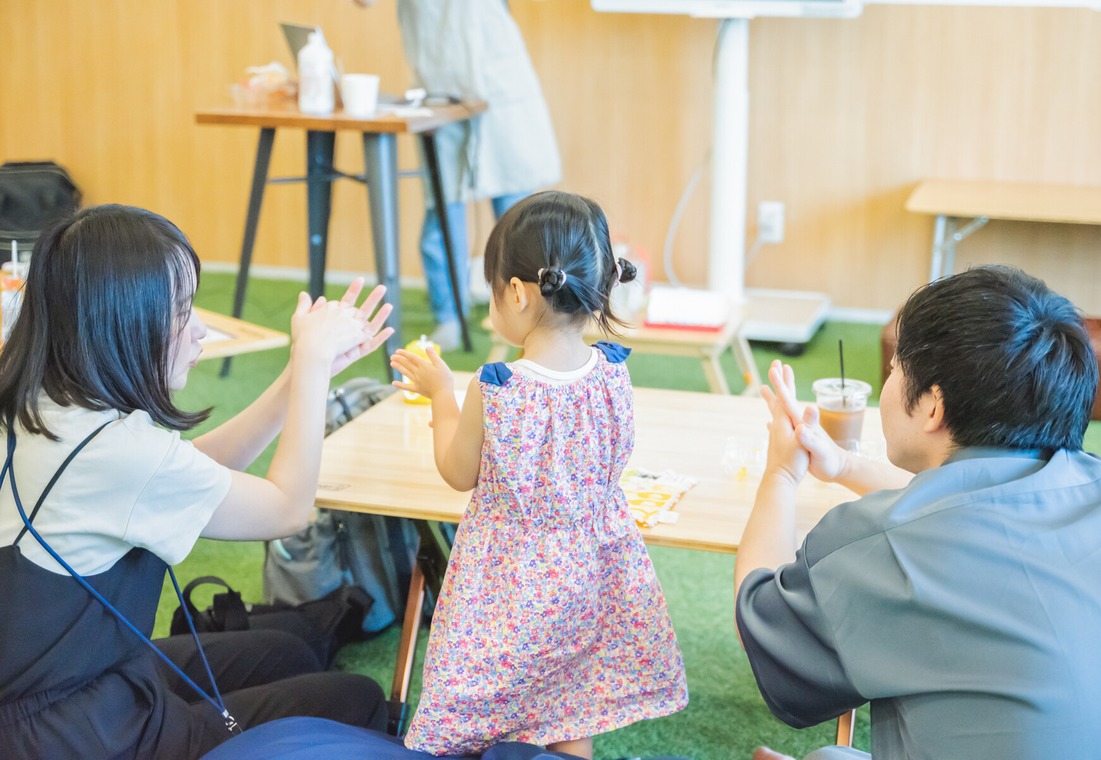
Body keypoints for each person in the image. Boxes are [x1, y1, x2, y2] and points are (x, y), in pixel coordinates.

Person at [0, 204, 395, 759]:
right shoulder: (120, 452)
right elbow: (287, 509)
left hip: (69, 681)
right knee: (355, 698)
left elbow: (185, 472)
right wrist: (308, 362)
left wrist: (303, 376)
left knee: (288, 652)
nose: (201, 329)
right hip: (82, 734)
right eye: (183, 310)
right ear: (124, 322)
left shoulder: (41, 400)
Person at [734, 266, 1101, 760]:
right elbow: (966, 504)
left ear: (931, 407)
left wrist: (781, 474)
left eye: (893, 371)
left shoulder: (883, 542)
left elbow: (758, 620)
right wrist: (842, 465)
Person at [390, 191, 688, 758]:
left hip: (511, 579)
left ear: (519, 293)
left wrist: (440, 395)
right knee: (570, 703)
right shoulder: (613, 374)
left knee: (482, 700)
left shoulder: (498, 385)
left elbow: (457, 471)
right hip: (594, 568)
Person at [353, 0, 563, 350]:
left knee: (520, 215)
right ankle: (448, 316)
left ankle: (539, 320)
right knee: (442, 210)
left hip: (498, 81)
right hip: (439, 87)